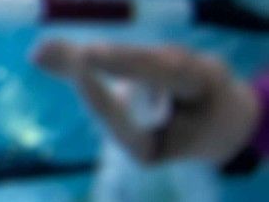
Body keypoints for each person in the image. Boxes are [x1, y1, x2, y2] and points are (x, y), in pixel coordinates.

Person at [33, 41, 268, 169]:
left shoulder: (159, 144)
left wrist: (81, 68)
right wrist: (83, 64)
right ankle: (83, 63)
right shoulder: (214, 90)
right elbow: (163, 67)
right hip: (235, 129)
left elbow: (160, 68)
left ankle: (83, 64)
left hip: (235, 136)